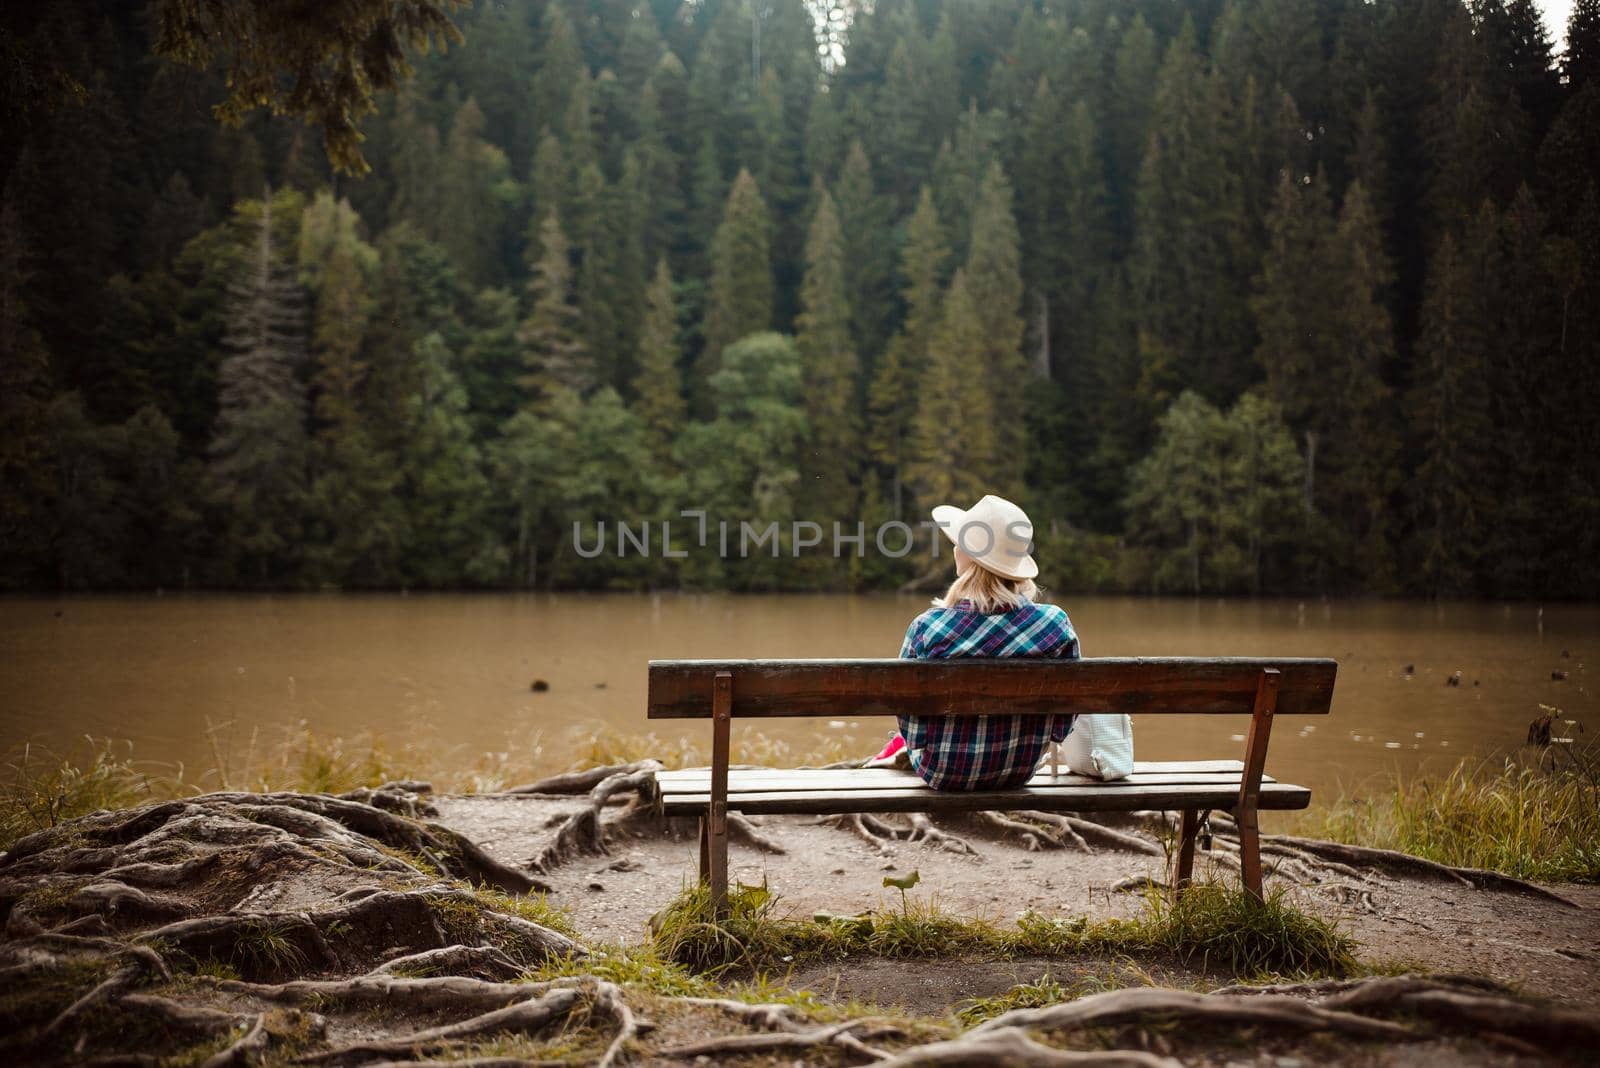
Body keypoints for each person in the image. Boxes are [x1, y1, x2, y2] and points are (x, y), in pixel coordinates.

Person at [864, 494, 1079, 790]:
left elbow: (911, 723)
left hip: (943, 773)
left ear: (967, 556)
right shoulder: (1054, 624)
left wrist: (919, 746)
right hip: (1019, 770)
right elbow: (1064, 720)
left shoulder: (928, 627)